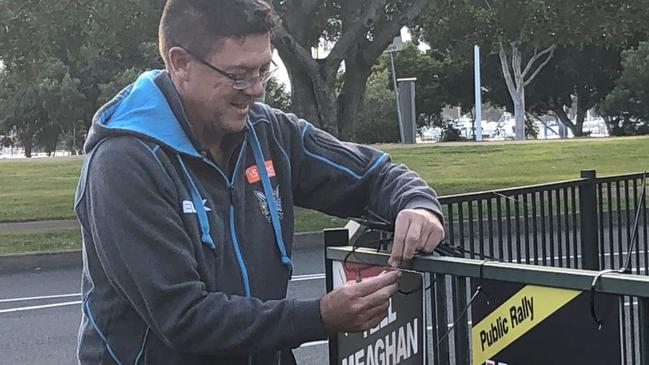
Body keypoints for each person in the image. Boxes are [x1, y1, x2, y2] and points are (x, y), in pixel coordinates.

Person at [74, 0, 445, 364]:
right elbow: (183, 318)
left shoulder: (267, 131)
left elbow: (372, 174)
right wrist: (318, 316)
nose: (255, 89)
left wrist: (416, 204)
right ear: (180, 63)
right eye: (238, 75)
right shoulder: (124, 162)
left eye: (263, 71)